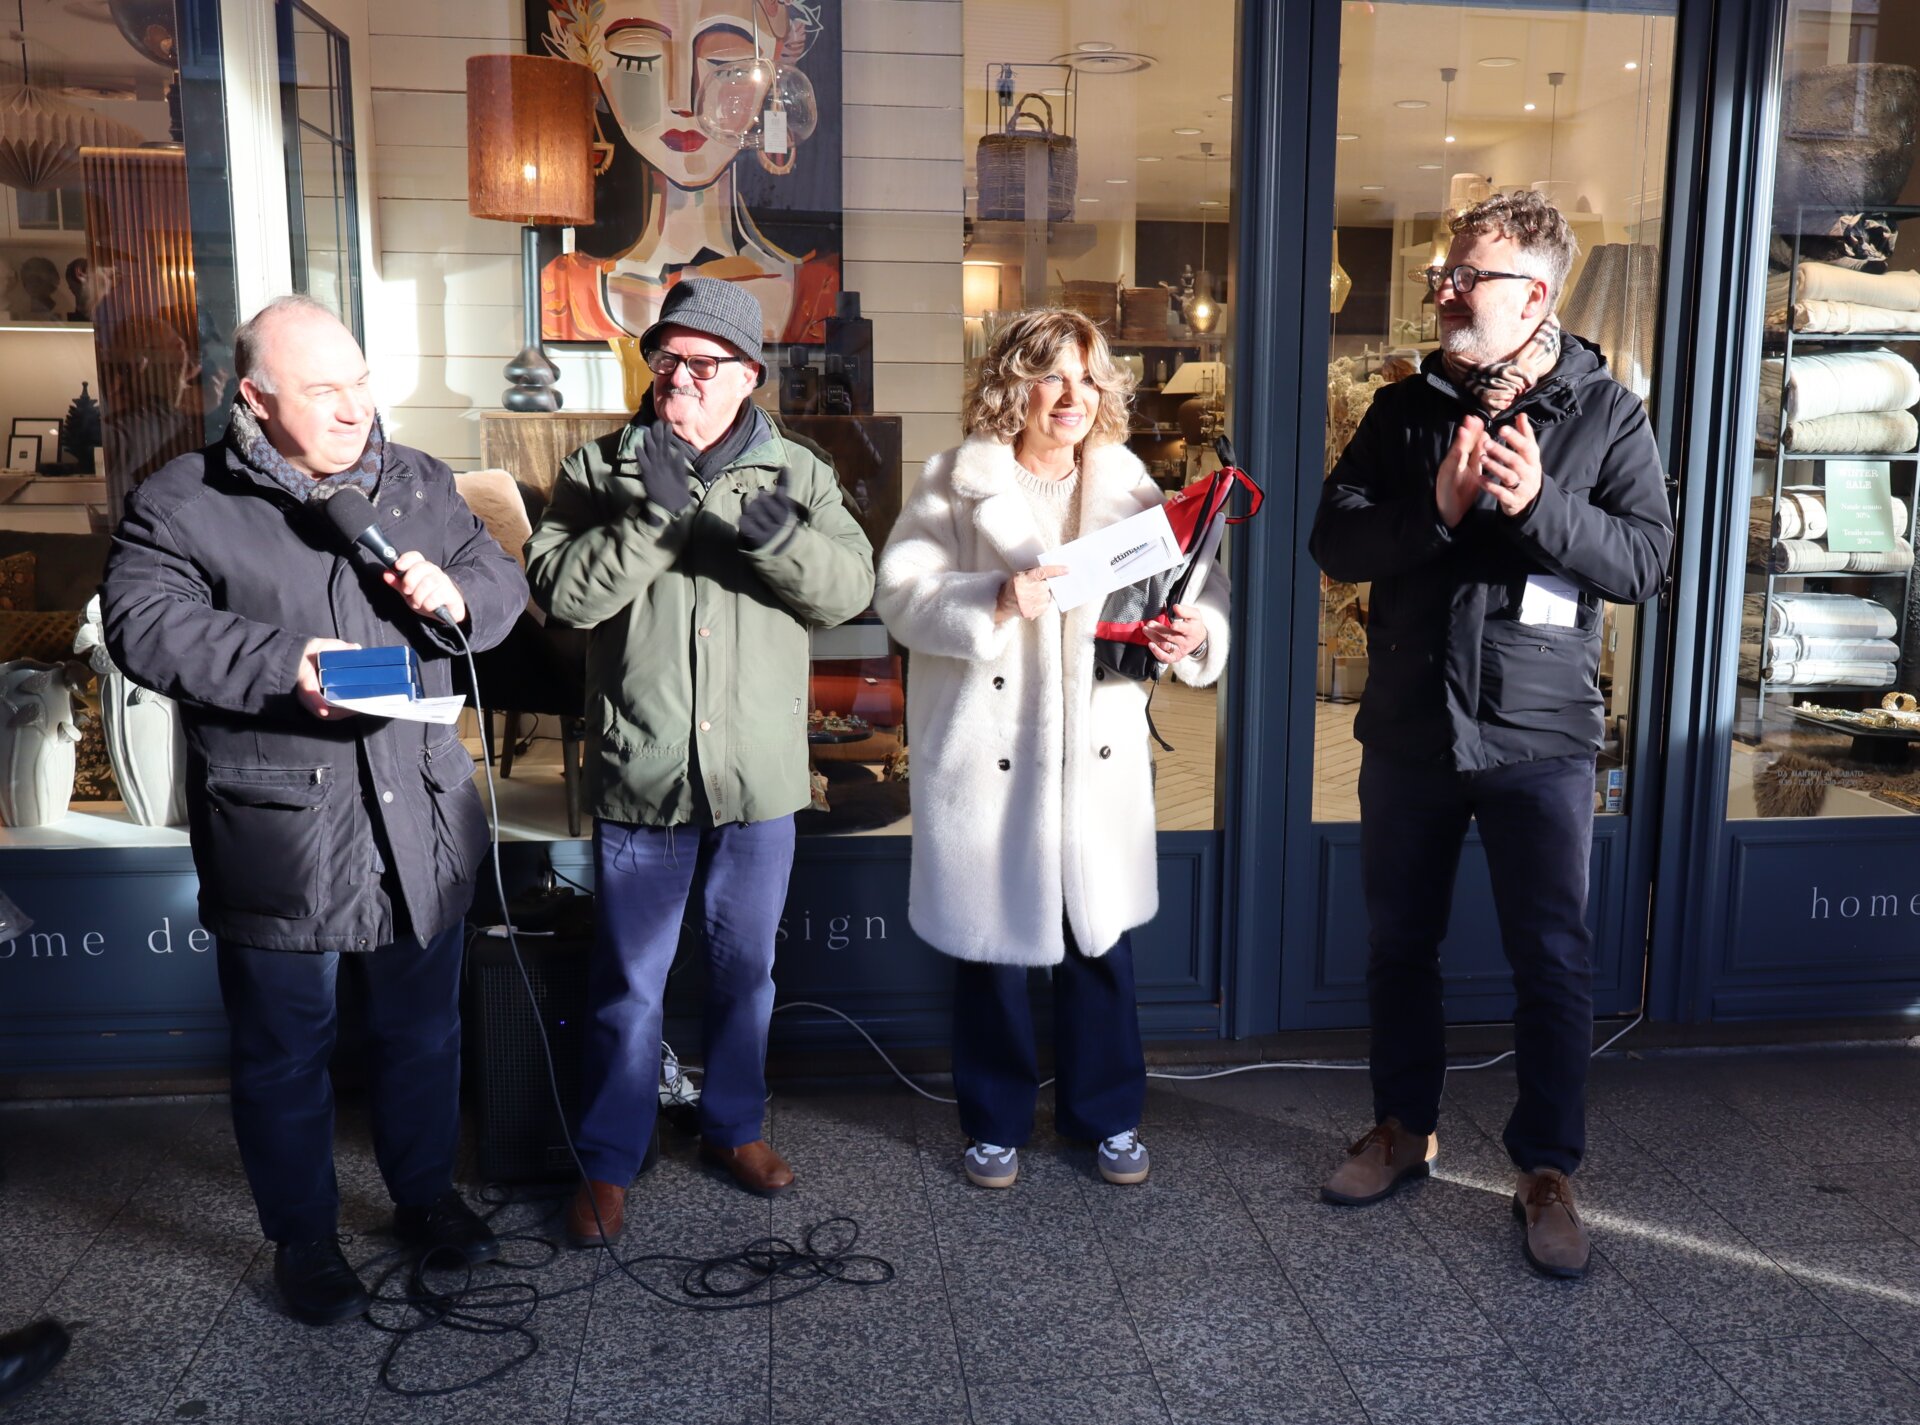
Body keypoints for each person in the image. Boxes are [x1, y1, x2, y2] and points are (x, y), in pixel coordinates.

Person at [100, 295, 529, 1324]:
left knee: (424, 1033)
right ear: (254, 397)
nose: (353, 408)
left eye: (361, 381)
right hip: (285, 832)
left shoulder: (420, 479)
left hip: (419, 816)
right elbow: (141, 624)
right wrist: (278, 661)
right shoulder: (184, 499)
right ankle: (303, 1240)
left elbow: (500, 578)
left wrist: (461, 595)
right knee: (285, 1053)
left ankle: (424, 1199)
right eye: (323, 390)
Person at [1308, 191, 1672, 1279]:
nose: (1446, 289)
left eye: (1470, 274)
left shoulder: (1608, 411)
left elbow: (1646, 562)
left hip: (1542, 738)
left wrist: (1541, 506)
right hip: (1412, 727)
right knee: (1396, 947)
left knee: (1552, 958)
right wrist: (1438, 505)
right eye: (1447, 271)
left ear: (1536, 296)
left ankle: (1548, 1168)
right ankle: (1401, 1130)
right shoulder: (1401, 407)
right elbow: (1337, 540)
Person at [524, 278, 873, 1245]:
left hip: (757, 774)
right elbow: (562, 594)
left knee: (744, 971)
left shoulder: (799, 472)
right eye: (664, 358)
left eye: (701, 363)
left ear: (748, 377)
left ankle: (732, 1128)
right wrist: (650, 518)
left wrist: (770, 531)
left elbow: (847, 590)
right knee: (631, 981)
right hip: (646, 771)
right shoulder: (600, 468)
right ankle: (608, 1159)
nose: (677, 376)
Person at [874, 309, 1230, 1190]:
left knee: (1100, 946)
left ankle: (1106, 1116)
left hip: (1096, 760)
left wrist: (1196, 631)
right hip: (988, 757)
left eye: (1087, 378)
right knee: (991, 952)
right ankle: (993, 1123)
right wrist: (994, 596)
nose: (1073, 397)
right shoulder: (954, 484)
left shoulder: (1136, 491)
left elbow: (1201, 586)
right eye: (1052, 377)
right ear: (1014, 386)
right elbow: (899, 596)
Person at [535, 0, 839, 343]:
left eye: (726, 61)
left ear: (778, 58)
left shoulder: (820, 297)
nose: (683, 99)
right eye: (638, 59)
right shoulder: (559, 298)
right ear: (588, 60)